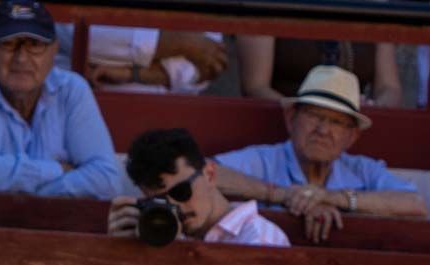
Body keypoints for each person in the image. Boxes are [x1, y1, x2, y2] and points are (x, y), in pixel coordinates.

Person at [213, 65, 427, 242]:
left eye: (336, 122)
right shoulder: (264, 159)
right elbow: (202, 173)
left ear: (352, 136)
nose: (323, 130)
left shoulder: (361, 169)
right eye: (314, 116)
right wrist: (285, 195)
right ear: (291, 119)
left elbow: (415, 204)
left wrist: (331, 198)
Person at [0, 0, 120, 198]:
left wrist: (33, 195)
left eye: (35, 44)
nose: (21, 58)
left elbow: (106, 180)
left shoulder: (71, 89)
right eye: (9, 44)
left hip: (57, 225)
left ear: (54, 50)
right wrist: (59, 170)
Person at [109, 127, 290, 246]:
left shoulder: (259, 238)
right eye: (160, 201)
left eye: (181, 191)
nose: (175, 207)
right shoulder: (159, 236)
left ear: (210, 174)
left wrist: (175, 249)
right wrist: (123, 251)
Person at [236, 34, 402, 107]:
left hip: (356, 129)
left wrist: (376, 107)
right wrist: (303, 112)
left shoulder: (374, 4)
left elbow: (389, 87)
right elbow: (255, 87)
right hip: (283, 131)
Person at [56, 24, 227, 94]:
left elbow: (210, 59)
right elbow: (81, 36)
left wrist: (132, 73)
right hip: (80, 107)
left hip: (169, 122)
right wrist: (185, 43)